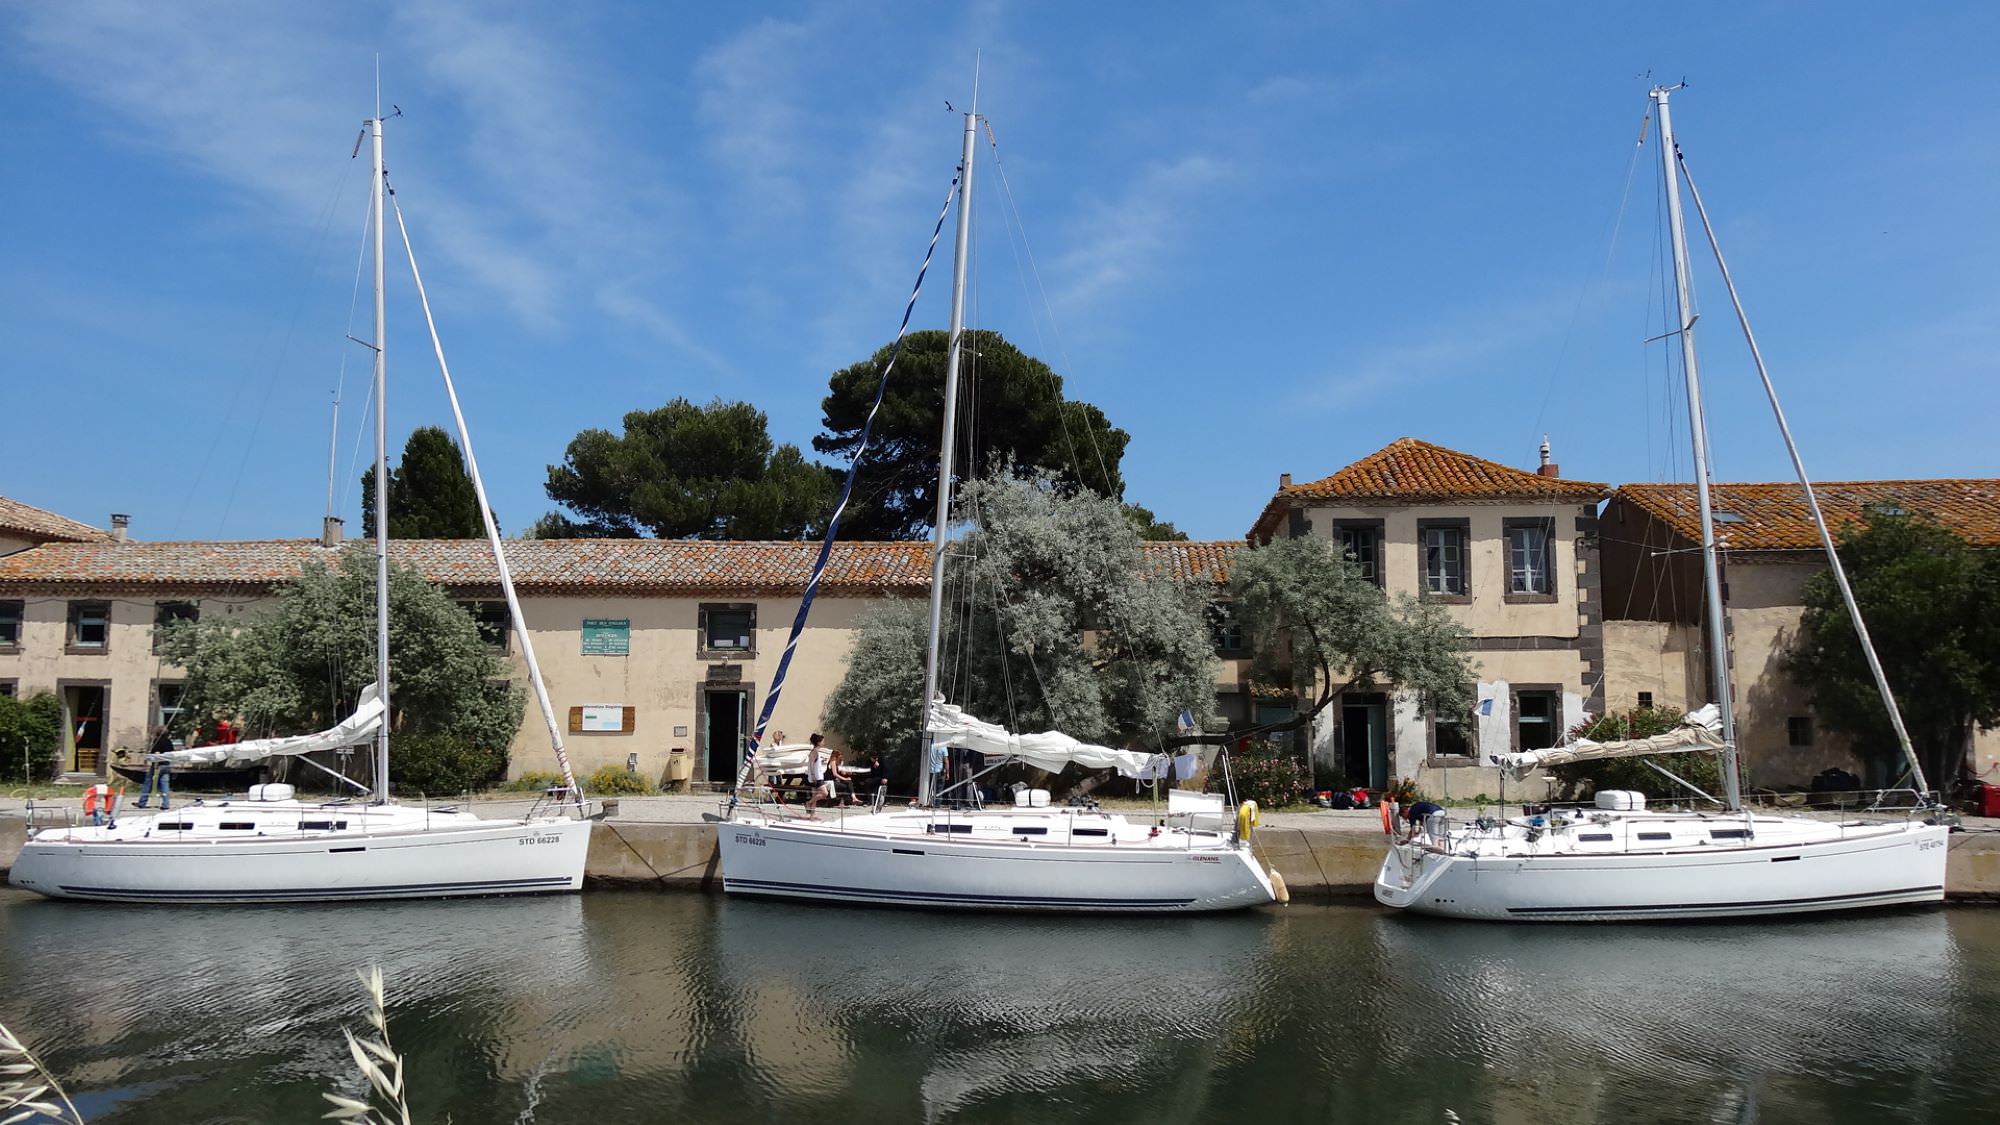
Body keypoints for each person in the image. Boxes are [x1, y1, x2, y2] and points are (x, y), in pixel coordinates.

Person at [134, 724, 174, 811]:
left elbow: (157, 753)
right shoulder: (169, 741)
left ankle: (142, 802)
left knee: (148, 783)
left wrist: (155, 764)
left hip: (158, 764)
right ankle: (166, 804)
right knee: (165, 784)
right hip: (166, 764)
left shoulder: (158, 740)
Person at [802, 733, 828, 815]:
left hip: (815, 776)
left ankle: (812, 815)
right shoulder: (814, 752)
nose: (824, 743)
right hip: (817, 777)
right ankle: (808, 803)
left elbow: (815, 763)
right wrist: (813, 776)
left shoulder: (816, 752)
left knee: (815, 795)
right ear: (818, 742)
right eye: (823, 741)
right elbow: (811, 765)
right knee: (824, 793)